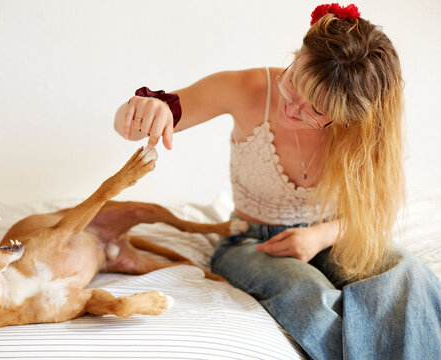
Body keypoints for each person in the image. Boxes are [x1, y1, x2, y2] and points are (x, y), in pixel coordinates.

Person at [113, 3, 441, 359]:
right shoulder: (247, 88)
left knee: (407, 272)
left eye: (316, 110)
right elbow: (138, 122)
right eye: (294, 82)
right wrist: (146, 112)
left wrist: (319, 236)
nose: (292, 108)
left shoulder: (363, 130)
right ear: (300, 53)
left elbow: (384, 205)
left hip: (332, 236)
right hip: (250, 242)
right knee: (307, 291)